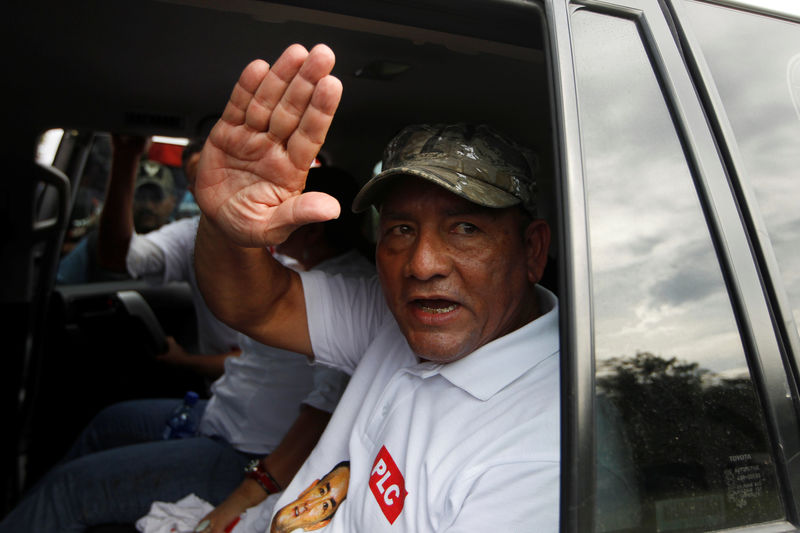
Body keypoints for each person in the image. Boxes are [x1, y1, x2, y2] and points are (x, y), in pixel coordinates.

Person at [192, 43, 559, 532]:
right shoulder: (395, 321)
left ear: (532, 251)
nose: (422, 265)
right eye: (401, 229)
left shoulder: (536, 459)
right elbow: (258, 305)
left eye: (465, 228)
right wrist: (225, 225)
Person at [0, 157, 373, 532]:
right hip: (218, 416)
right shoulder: (306, 270)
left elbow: (324, 411)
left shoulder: (348, 292)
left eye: (288, 210)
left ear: (312, 228)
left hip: (248, 451)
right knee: (107, 423)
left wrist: (250, 490)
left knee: (69, 489)